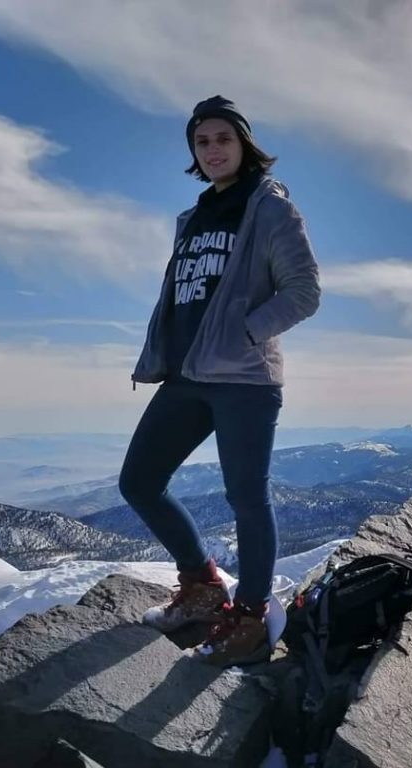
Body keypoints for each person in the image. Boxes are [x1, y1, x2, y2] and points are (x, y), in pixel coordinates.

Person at [120, 95, 320, 667]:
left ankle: (252, 616)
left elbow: (303, 292)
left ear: (244, 144)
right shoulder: (192, 218)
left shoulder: (271, 209)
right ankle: (203, 584)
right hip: (185, 374)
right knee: (139, 481)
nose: (212, 150)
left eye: (223, 139)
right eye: (201, 141)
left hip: (245, 382)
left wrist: (246, 332)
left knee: (246, 498)